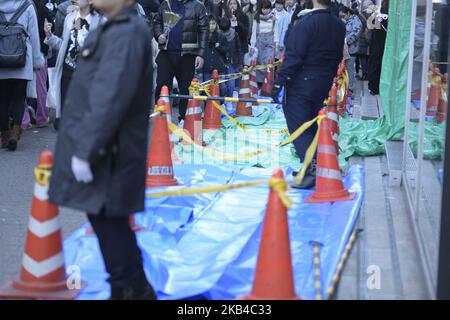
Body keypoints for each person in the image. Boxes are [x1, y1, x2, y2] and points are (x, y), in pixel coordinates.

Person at [48, 0, 155, 300]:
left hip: (110, 151)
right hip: (108, 149)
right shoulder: (116, 28)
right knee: (107, 218)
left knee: (108, 219)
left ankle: (129, 288)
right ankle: (132, 287)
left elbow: (109, 97)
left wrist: (86, 150)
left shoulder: (126, 32)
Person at [271, 0, 345, 189]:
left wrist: (280, 82)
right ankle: (316, 166)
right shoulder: (338, 24)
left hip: (302, 81)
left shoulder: (306, 23)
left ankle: (311, 169)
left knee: (299, 125)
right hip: (323, 80)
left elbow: (294, 55)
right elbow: (338, 55)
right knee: (310, 122)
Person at [44, 0, 104, 131]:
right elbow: (67, 45)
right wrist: (50, 37)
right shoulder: (72, 18)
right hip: (67, 71)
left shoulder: (100, 22)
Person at [0, 0, 45, 151]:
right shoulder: (27, 5)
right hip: (22, 59)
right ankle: (15, 132)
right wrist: (37, 60)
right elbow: (34, 35)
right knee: (19, 98)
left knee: (3, 100)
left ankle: (5, 136)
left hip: (1, 59)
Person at [153, 0, 208, 122]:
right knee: (162, 85)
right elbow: (157, 23)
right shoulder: (166, 4)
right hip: (166, 53)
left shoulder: (198, 6)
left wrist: (201, 54)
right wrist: (159, 35)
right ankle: (161, 118)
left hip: (188, 55)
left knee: (186, 89)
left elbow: (204, 31)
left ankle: (184, 119)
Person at [250, 0, 279, 84]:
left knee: (269, 61)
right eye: (264, 8)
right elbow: (254, 32)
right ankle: (259, 83)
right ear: (261, 8)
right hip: (260, 40)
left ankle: (269, 82)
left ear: (270, 9)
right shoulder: (257, 18)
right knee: (259, 62)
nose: (266, 10)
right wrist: (252, 45)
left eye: (267, 8)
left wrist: (277, 44)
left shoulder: (274, 18)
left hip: (270, 40)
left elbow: (276, 31)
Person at [340, 5, 362, 97]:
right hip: (343, 49)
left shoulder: (356, 20)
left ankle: (350, 89)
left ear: (348, 13)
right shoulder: (346, 20)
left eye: (343, 16)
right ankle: (343, 88)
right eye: (340, 16)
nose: (342, 18)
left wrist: (346, 41)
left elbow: (356, 32)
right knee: (343, 69)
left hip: (351, 49)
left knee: (349, 69)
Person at [367, 0, 388, 95]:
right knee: (382, 67)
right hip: (386, 46)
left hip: (375, 46)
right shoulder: (391, 19)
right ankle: (380, 87)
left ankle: (373, 87)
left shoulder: (378, 17)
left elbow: (370, 26)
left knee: (374, 66)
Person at [202, 15, 229, 92]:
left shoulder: (221, 36)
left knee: (222, 87)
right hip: (207, 67)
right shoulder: (203, 36)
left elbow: (227, 49)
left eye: (213, 23)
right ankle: (207, 103)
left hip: (219, 66)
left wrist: (219, 47)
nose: (211, 26)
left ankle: (222, 102)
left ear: (216, 24)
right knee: (206, 88)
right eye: (209, 24)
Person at [218, 16, 242, 97]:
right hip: (221, 62)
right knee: (222, 84)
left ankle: (229, 100)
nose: (224, 33)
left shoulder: (235, 34)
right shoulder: (218, 35)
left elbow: (238, 49)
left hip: (232, 61)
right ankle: (224, 99)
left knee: (231, 83)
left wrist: (239, 62)